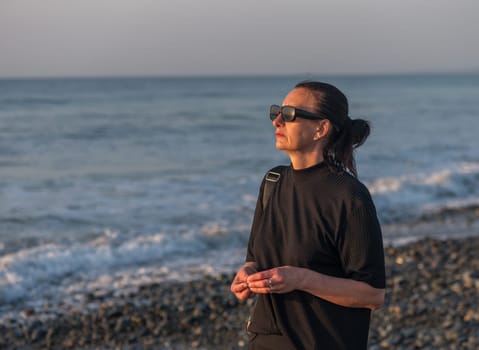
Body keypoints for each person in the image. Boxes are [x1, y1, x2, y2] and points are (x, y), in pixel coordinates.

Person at [230, 81, 386, 350]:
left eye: (289, 114)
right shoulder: (272, 182)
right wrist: (248, 273)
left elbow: (372, 294)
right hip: (266, 341)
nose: (277, 121)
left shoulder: (349, 196)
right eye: (277, 112)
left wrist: (301, 278)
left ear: (321, 129)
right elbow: (256, 258)